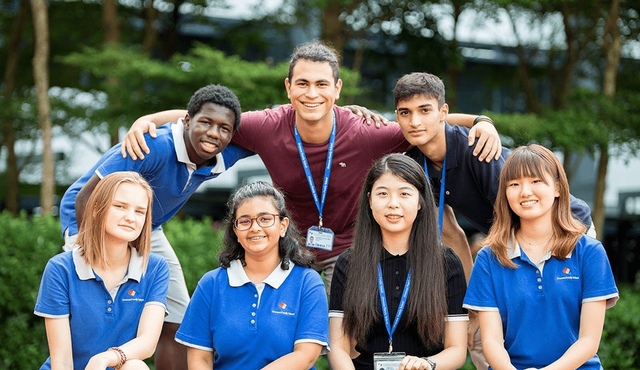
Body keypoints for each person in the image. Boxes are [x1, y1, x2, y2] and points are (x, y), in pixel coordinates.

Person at [121, 41, 502, 293]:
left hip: (352, 250)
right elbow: (207, 117)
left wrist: (481, 120)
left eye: (322, 84)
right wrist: (148, 119)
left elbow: (425, 120)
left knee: (348, 334)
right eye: (302, 84)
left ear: (337, 89)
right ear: (288, 87)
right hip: (292, 248)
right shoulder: (268, 125)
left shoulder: (366, 132)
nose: (312, 93)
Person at [393, 72, 595, 370]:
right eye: (405, 113)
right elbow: (451, 234)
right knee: (481, 329)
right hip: (510, 242)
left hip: (563, 229)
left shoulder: (477, 149)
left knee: (542, 331)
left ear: (443, 112)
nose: (415, 122)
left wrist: (482, 122)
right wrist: (470, 302)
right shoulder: (416, 163)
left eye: (425, 111)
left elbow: (520, 213)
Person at [58, 84, 252, 370]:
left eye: (223, 128)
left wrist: (340, 117)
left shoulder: (224, 152)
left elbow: (276, 129)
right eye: (205, 123)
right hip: (88, 218)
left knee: (177, 314)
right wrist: (96, 249)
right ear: (187, 121)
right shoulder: (152, 145)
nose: (213, 133)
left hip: (148, 226)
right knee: (99, 313)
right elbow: (87, 196)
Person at [463, 144, 619, 370]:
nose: (525, 192)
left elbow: (589, 341)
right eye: (514, 184)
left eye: (536, 181)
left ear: (557, 188)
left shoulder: (589, 252)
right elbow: (492, 341)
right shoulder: (488, 258)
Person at [328, 154, 468, 370]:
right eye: (382, 194)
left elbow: (457, 349)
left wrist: (426, 364)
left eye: (404, 194)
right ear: (369, 200)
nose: (393, 204)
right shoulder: (348, 263)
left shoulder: (446, 263)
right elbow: (338, 347)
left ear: (420, 202)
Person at [175, 181, 329, 370]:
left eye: (265, 219)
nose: (255, 228)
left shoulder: (307, 282)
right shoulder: (211, 284)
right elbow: (200, 360)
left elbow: (306, 355)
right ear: (235, 230)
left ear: (283, 226)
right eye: (245, 221)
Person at [35, 171, 170, 370]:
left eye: (139, 211)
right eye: (120, 206)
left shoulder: (155, 268)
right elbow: (62, 360)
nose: (130, 218)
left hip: (117, 365)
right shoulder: (60, 269)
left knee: (136, 367)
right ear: (98, 208)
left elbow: (147, 343)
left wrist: (104, 359)